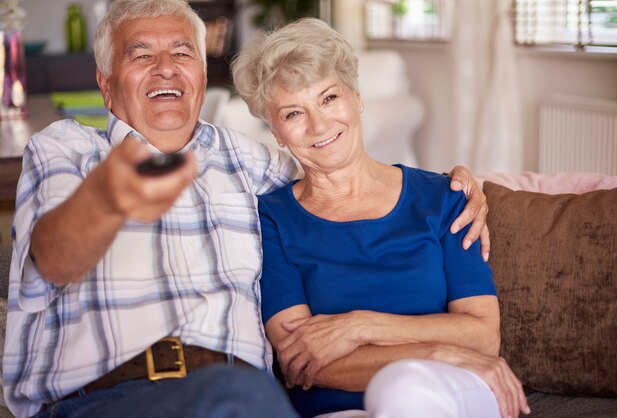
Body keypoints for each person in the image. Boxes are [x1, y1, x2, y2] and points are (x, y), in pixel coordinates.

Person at [3, 1, 488, 418]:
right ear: (105, 85)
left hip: (238, 394)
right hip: (105, 397)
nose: (166, 67)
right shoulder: (66, 148)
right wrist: (109, 198)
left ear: (200, 71)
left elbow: (338, 172)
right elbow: (54, 257)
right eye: (142, 54)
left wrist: (465, 185)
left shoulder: (249, 160)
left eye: (182, 52)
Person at [231, 18, 531, 418]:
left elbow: (481, 334)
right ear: (277, 132)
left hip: (450, 392)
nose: (319, 125)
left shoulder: (444, 198)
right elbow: (303, 361)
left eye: (328, 98)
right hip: (337, 409)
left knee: (403, 389)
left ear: (356, 97)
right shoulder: (271, 219)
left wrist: (359, 326)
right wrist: (438, 349)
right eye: (292, 114)